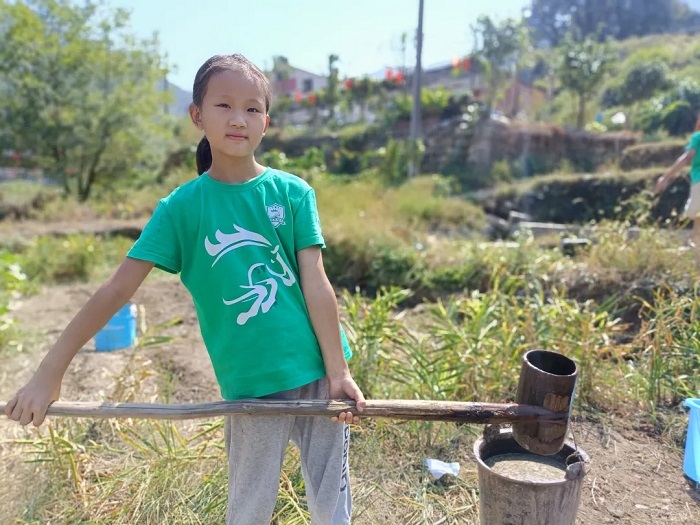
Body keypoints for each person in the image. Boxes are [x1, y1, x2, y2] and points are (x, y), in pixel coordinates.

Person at [4, 54, 365, 524]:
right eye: (224, 105)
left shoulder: (292, 193)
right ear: (197, 116)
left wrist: (337, 372)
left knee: (333, 508)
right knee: (249, 511)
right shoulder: (181, 210)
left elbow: (316, 284)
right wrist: (49, 373)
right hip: (251, 389)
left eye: (253, 109)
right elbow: (116, 291)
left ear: (267, 122)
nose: (239, 118)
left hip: (318, 371)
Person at [655, 116, 700, 251]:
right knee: (698, 215)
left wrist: (666, 177)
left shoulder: (697, 137)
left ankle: (695, 248)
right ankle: (695, 246)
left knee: (696, 213)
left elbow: (686, 157)